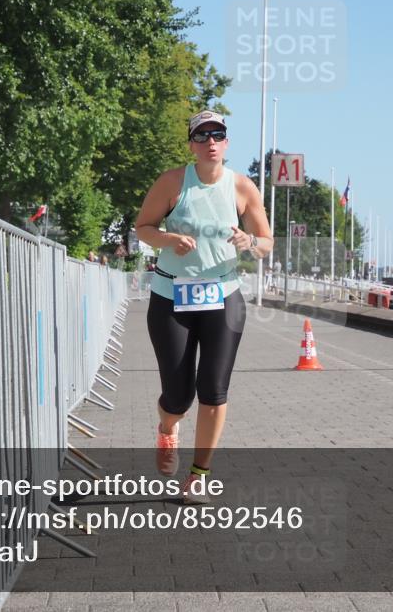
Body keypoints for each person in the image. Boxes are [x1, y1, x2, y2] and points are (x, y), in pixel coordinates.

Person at [135, 110, 273, 503]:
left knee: (213, 389)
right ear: (191, 144)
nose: (210, 142)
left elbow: (266, 242)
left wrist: (250, 242)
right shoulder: (172, 182)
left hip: (223, 296)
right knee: (178, 396)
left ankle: (199, 475)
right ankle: (168, 428)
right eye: (202, 136)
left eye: (218, 135)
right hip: (171, 297)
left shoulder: (242, 187)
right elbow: (143, 228)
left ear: (226, 143)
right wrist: (168, 240)